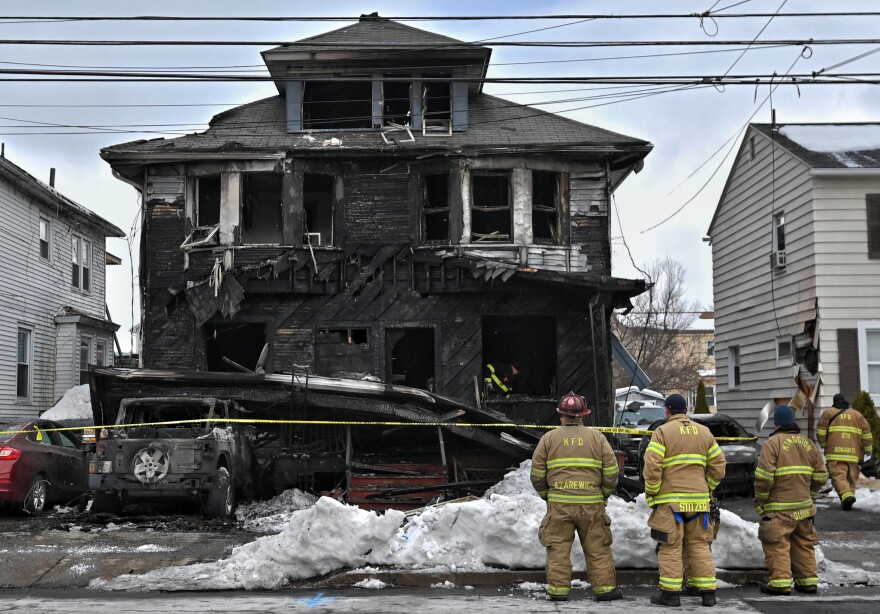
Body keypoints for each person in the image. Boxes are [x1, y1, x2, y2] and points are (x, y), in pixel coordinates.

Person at [530, 391, 624, 603]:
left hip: (560, 504)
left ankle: (558, 592)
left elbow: (536, 475)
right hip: (591, 504)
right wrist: (603, 494)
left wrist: (548, 495)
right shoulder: (597, 438)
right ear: (583, 415)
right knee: (598, 548)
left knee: (558, 549)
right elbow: (611, 472)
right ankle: (606, 590)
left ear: (561, 415)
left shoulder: (548, 439)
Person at [643, 394, 726, 608]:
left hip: (671, 503)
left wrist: (652, 494)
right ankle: (708, 593)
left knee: (670, 546)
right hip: (699, 502)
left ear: (667, 411)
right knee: (699, 545)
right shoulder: (704, 432)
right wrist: (706, 486)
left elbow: (652, 469)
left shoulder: (662, 432)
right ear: (686, 410)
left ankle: (670, 595)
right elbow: (719, 466)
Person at [754, 405, 828, 596]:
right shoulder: (808, 443)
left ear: (776, 423)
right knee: (803, 544)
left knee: (777, 544)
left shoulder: (773, 444)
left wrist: (761, 502)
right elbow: (821, 475)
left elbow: (764, 478)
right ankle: (808, 582)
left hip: (780, 509)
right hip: (804, 508)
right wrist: (810, 494)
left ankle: (779, 584)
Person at [816, 393, 874, 510]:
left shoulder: (828, 413)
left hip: (835, 453)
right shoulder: (857, 415)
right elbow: (867, 434)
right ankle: (849, 499)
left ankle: (846, 497)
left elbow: (820, 432)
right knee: (851, 478)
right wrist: (868, 451)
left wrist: (825, 446)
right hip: (853, 454)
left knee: (838, 476)